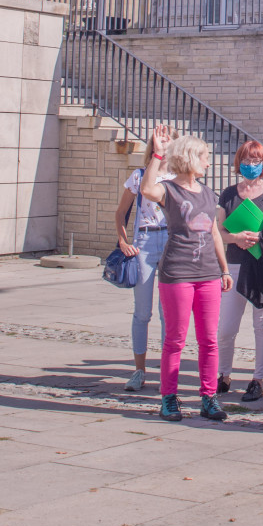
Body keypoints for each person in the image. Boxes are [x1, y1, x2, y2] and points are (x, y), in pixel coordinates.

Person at [137, 125, 233, 423]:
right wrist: (157, 154)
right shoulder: (169, 189)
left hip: (208, 274)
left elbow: (216, 233)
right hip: (177, 273)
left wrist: (224, 268)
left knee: (209, 340)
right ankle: (168, 398)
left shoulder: (208, 193)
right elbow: (145, 189)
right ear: (192, 158)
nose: (208, 162)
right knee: (175, 340)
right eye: (204, 156)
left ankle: (208, 397)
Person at [216, 141, 263, 403]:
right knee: (225, 327)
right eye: (246, 160)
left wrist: (259, 235)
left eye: (256, 161)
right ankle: (223, 374)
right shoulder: (228, 193)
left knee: (262, 324)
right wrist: (235, 238)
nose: (250, 165)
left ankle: (258, 379)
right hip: (235, 263)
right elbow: (220, 231)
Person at [112, 163, 164, 393]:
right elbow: (121, 211)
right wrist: (123, 241)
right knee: (142, 311)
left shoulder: (178, 175)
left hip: (171, 239)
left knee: (169, 313)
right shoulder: (139, 175)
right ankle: (139, 370)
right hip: (144, 239)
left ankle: (168, 373)